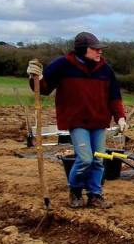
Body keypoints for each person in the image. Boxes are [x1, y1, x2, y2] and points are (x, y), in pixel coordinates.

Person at [26, 32, 126, 209]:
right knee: (86, 158)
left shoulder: (105, 70)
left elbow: (114, 97)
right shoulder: (63, 65)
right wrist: (36, 78)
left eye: (100, 49)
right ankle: (75, 191)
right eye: (94, 49)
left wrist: (120, 118)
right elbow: (43, 88)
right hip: (77, 121)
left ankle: (95, 195)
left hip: (99, 121)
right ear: (82, 50)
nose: (99, 52)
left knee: (98, 159)